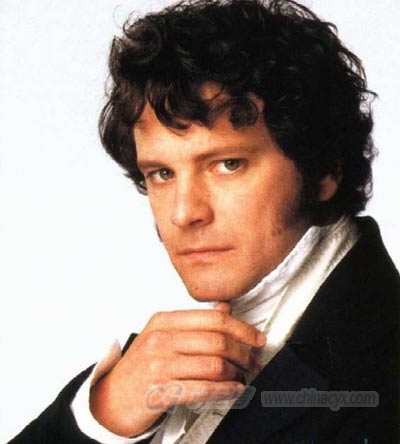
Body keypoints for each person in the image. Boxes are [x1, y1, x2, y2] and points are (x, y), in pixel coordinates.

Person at [8, 0, 399, 443]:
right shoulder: (128, 381)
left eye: (228, 164)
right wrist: (104, 417)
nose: (183, 213)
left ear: (325, 169)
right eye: (162, 173)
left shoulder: (383, 370)